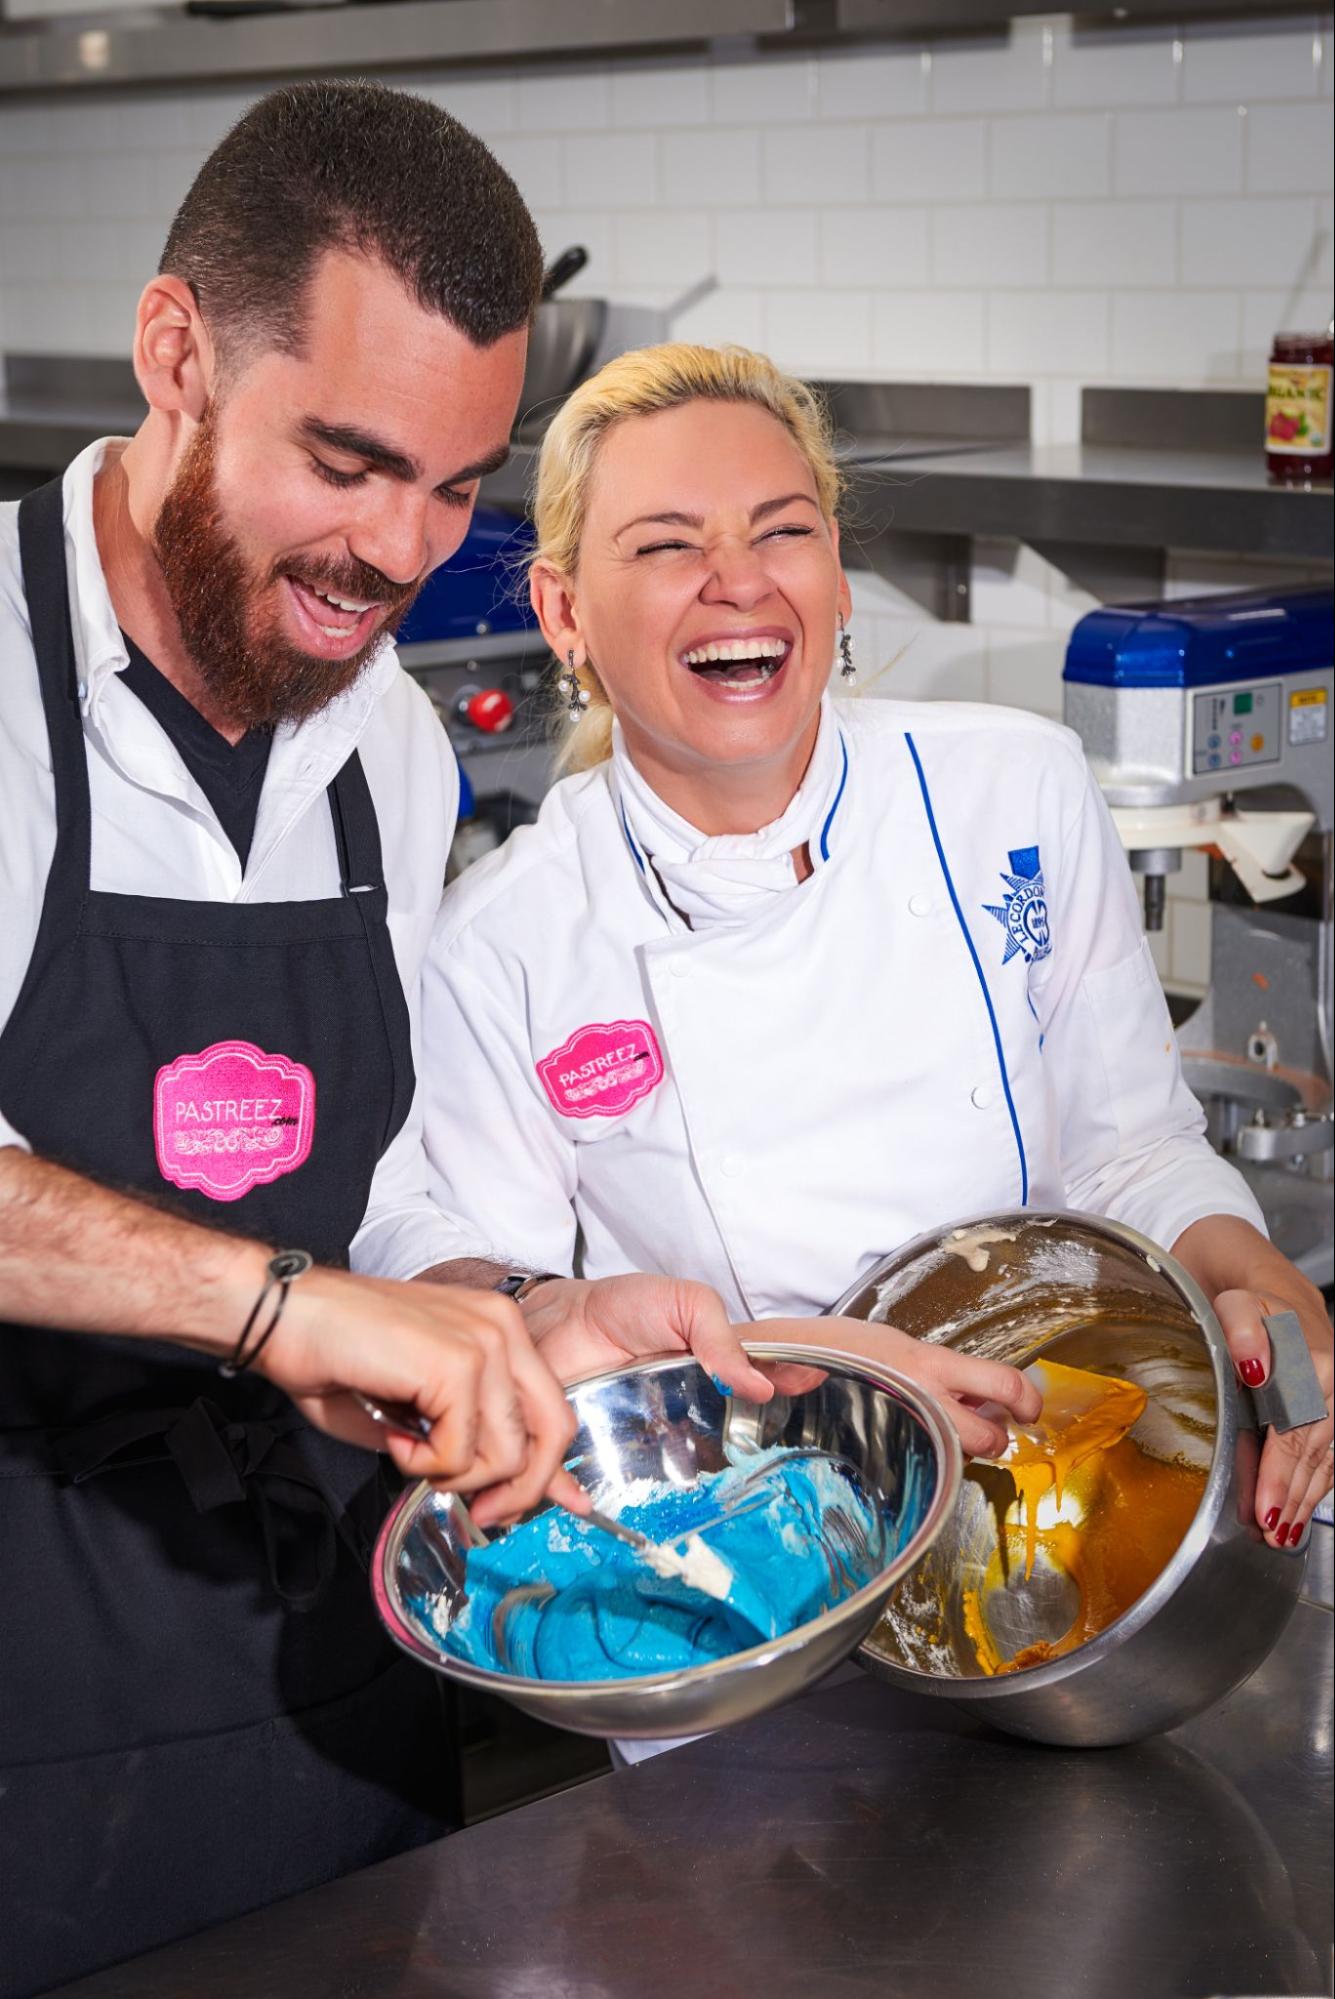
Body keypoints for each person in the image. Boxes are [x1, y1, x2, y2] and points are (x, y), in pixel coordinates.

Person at [0, 93, 758, 1998]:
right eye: (349, 462)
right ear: (177, 351)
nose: (401, 551)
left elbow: (389, 1171)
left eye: (454, 483)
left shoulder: (389, 752)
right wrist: (288, 1306)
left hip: (339, 1711)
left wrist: (504, 1303)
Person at [421, 342, 1334, 1562]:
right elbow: (516, 1335)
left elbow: (1133, 1151)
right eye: (667, 544)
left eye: (782, 531)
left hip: (1057, 1493)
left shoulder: (1015, 788)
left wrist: (1264, 1281)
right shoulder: (505, 942)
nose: (737, 583)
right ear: (563, 612)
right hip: (748, 1552)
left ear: (839, 574)